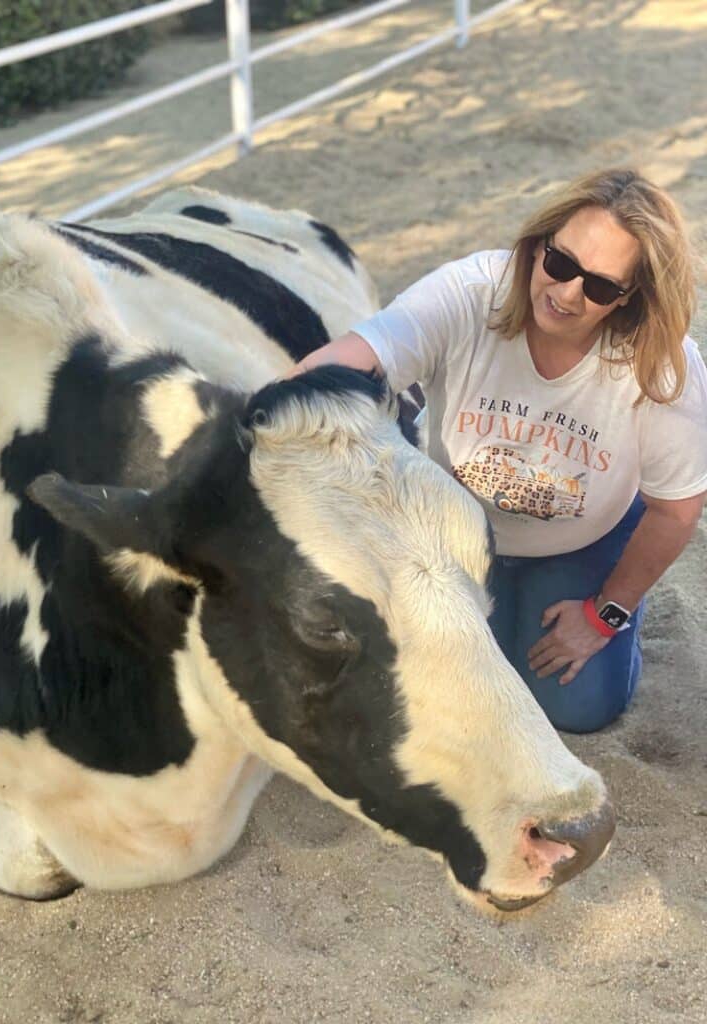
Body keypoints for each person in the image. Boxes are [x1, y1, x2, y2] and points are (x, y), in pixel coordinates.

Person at [288, 168, 707, 733]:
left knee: (575, 708)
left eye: (600, 287)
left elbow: (677, 508)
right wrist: (289, 393)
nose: (565, 294)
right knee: (430, 687)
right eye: (559, 264)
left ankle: (619, 613)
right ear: (538, 245)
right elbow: (368, 349)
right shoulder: (470, 292)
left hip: (583, 537)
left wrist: (606, 613)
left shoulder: (659, 365)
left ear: (629, 300)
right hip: (454, 527)